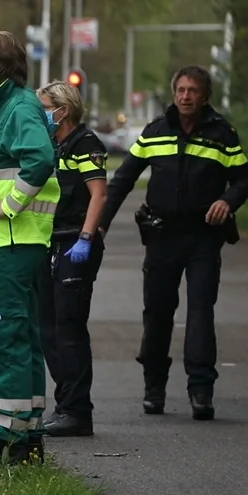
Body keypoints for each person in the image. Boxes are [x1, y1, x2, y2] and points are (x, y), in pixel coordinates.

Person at [99, 65, 248, 420]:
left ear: (205, 95)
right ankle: (154, 387)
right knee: (157, 314)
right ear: (173, 93)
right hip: (162, 236)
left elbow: (243, 179)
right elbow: (122, 180)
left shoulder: (222, 134)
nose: (185, 96)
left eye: (193, 90)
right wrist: (99, 225)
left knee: (200, 313)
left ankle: (201, 391)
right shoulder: (155, 132)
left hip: (203, 238)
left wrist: (228, 200)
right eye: (180, 90)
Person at [0, 30, 61, 466]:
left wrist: (8, 204)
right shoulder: (12, 107)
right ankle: (27, 439)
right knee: (22, 339)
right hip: (14, 244)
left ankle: (8, 441)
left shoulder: (18, 108)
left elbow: (40, 160)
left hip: (10, 242)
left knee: (5, 338)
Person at [34, 81, 109, 438]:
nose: (41, 113)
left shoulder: (85, 144)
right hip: (52, 242)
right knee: (48, 327)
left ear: (62, 110)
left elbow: (98, 194)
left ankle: (78, 411)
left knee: (69, 328)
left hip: (75, 244)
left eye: (44, 106)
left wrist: (86, 237)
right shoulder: (54, 145)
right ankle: (65, 404)